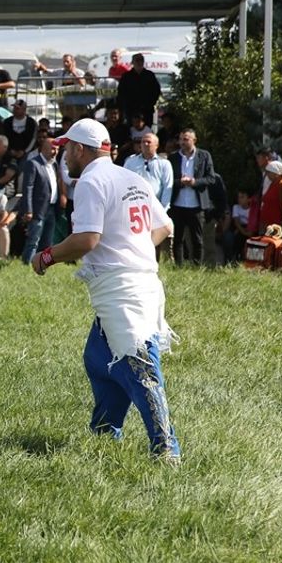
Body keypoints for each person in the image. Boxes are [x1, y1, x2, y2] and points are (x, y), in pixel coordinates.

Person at [33, 118, 181, 463]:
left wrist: (48, 255)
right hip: (140, 283)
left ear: (80, 149)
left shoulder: (90, 181)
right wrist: (134, 247)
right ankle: (104, 432)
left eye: (67, 148)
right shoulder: (131, 177)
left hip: (122, 290)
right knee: (99, 359)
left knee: (141, 367)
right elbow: (165, 226)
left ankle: (166, 449)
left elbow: (87, 239)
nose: (64, 155)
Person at [167, 128, 215, 266]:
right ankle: (178, 266)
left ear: (194, 140)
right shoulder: (174, 157)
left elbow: (211, 178)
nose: (182, 142)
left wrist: (195, 182)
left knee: (197, 239)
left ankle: (197, 266)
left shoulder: (204, 156)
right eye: (181, 139)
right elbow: (169, 180)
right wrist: (180, 182)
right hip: (178, 204)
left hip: (196, 205)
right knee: (178, 239)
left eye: (186, 139)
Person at [20, 136, 60, 264]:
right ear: (44, 148)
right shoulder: (33, 164)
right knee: (34, 240)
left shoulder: (54, 164)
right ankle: (27, 263)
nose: (55, 152)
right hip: (38, 209)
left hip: (52, 207)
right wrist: (28, 210)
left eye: (57, 149)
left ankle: (42, 264)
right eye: (53, 149)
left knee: (47, 241)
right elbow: (28, 188)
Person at [116, 53, 162, 126]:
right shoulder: (126, 76)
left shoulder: (150, 75)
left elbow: (156, 91)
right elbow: (121, 93)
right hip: (131, 110)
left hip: (146, 110)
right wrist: (125, 106)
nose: (139, 62)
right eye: (137, 60)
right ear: (132, 62)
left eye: (141, 60)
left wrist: (150, 103)